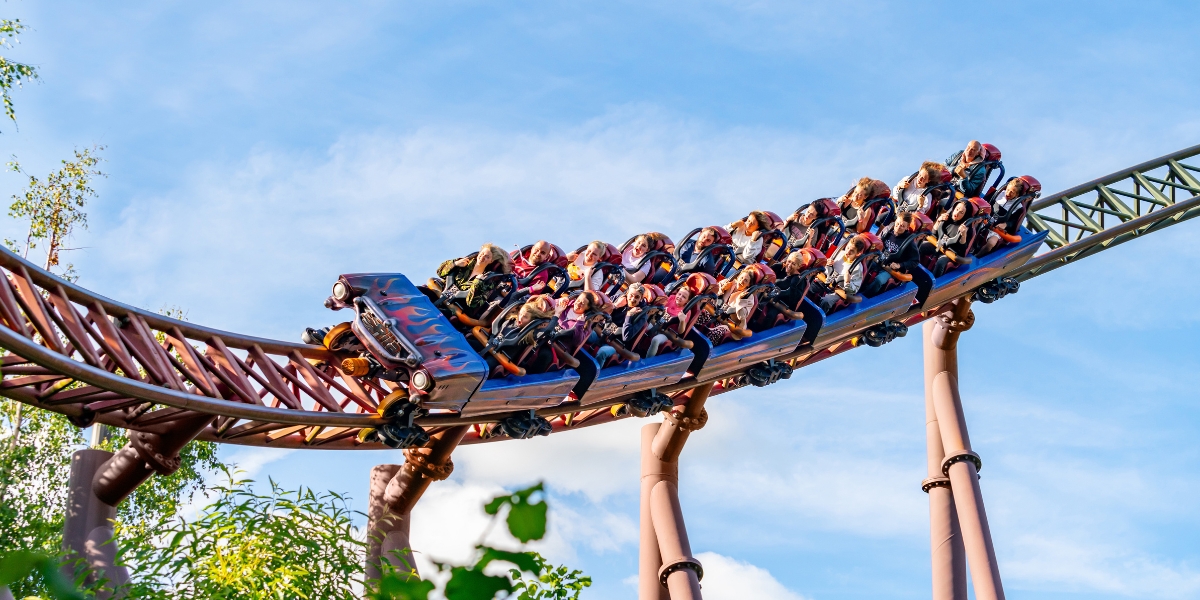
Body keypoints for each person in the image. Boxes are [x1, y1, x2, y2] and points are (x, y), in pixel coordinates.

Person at [862, 212, 933, 305]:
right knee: (862, 268)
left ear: (907, 228)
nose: (898, 227)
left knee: (879, 280)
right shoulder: (888, 230)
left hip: (890, 269)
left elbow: (915, 261)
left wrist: (900, 265)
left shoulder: (909, 242)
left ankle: (865, 298)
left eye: (902, 226)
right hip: (877, 261)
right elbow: (878, 242)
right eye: (898, 223)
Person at [486, 294, 557, 375]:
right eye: (520, 314)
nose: (520, 318)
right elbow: (514, 296)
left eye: (525, 317)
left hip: (499, 358)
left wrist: (557, 314)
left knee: (485, 364)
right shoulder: (512, 319)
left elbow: (548, 329)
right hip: (488, 345)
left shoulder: (530, 333)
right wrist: (531, 289)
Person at [435, 243, 513, 311]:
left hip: (454, 309)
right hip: (438, 294)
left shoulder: (488, 281)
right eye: (482, 254)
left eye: (487, 257)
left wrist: (478, 283)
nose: (482, 257)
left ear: (491, 261)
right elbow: (439, 272)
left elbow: (472, 303)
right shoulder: (465, 261)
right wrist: (455, 264)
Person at [980, 176, 1040, 255]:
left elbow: (1013, 222)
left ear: (1017, 194)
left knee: (991, 244)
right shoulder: (998, 194)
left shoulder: (1019, 208)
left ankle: (978, 256)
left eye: (1012, 192)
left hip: (996, 230)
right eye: (1008, 190)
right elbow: (984, 202)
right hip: (983, 220)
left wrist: (1005, 224)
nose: (1008, 193)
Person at [920, 199, 977, 277]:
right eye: (957, 209)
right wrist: (938, 221)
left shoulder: (967, 229)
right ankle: (910, 269)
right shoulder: (947, 219)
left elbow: (962, 250)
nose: (957, 213)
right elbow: (934, 234)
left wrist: (963, 235)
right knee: (921, 246)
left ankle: (934, 284)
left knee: (941, 262)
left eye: (961, 212)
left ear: (965, 215)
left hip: (950, 253)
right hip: (937, 245)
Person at [556, 291, 616, 365]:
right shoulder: (566, 304)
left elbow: (577, 342)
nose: (578, 304)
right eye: (578, 301)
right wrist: (559, 300)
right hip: (546, 333)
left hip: (559, 346)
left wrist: (579, 324)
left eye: (582, 304)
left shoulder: (585, 323)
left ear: (587, 308)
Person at [817, 236, 868, 314]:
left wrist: (847, 281)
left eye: (852, 251)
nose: (847, 252)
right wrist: (826, 264)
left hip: (839, 291)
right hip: (825, 282)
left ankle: (816, 321)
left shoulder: (857, 268)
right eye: (847, 248)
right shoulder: (839, 254)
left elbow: (854, 290)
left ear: (858, 253)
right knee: (809, 286)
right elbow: (824, 271)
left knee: (826, 301)